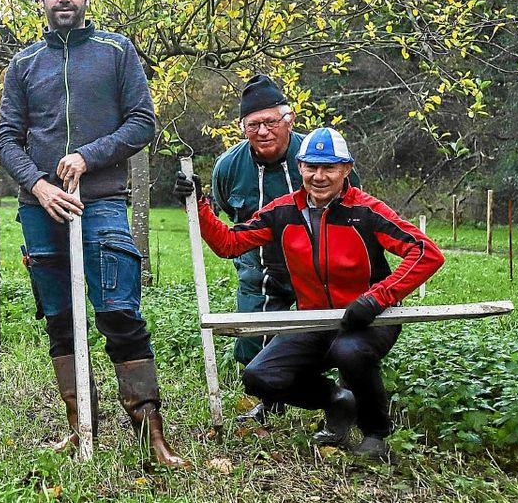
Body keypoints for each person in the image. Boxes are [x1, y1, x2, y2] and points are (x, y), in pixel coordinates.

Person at [0, 0, 189, 470]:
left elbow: (142, 122)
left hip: (101, 202)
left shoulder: (116, 51)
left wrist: (86, 155)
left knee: (119, 311)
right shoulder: (24, 64)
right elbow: (7, 139)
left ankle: (152, 435)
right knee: (60, 318)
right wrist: (38, 186)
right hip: (40, 208)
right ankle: (80, 428)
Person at [175, 127, 443, 459]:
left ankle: (376, 433)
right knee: (259, 376)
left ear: (346, 170)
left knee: (350, 352)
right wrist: (198, 204)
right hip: (313, 318)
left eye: (329, 167)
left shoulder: (366, 211)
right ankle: (336, 401)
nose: (319, 176)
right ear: (299, 167)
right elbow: (229, 244)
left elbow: (426, 254)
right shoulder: (283, 211)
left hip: (370, 319)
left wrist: (377, 298)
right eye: (311, 166)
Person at [176, 75, 356, 425]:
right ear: (242, 127)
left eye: (271, 122)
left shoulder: (317, 157)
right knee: (253, 340)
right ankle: (269, 403)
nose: (263, 132)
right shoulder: (228, 167)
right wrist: (195, 199)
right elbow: (226, 216)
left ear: (288, 120)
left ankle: (343, 398)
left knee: (332, 336)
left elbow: (354, 208)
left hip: (319, 265)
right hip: (259, 263)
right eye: (253, 124)